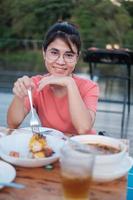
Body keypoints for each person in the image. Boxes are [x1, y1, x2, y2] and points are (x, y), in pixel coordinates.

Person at [7, 21, 99, 135]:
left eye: (69, 55)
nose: (61, 61)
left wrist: (70, 83)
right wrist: (19, 96)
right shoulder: (35, 84)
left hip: (83, 148)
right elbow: (12, 124)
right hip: (52, 148)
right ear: (44, 53)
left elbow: (83, 128)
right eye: (54, 53)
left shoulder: (89, 87)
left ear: (76, 58)